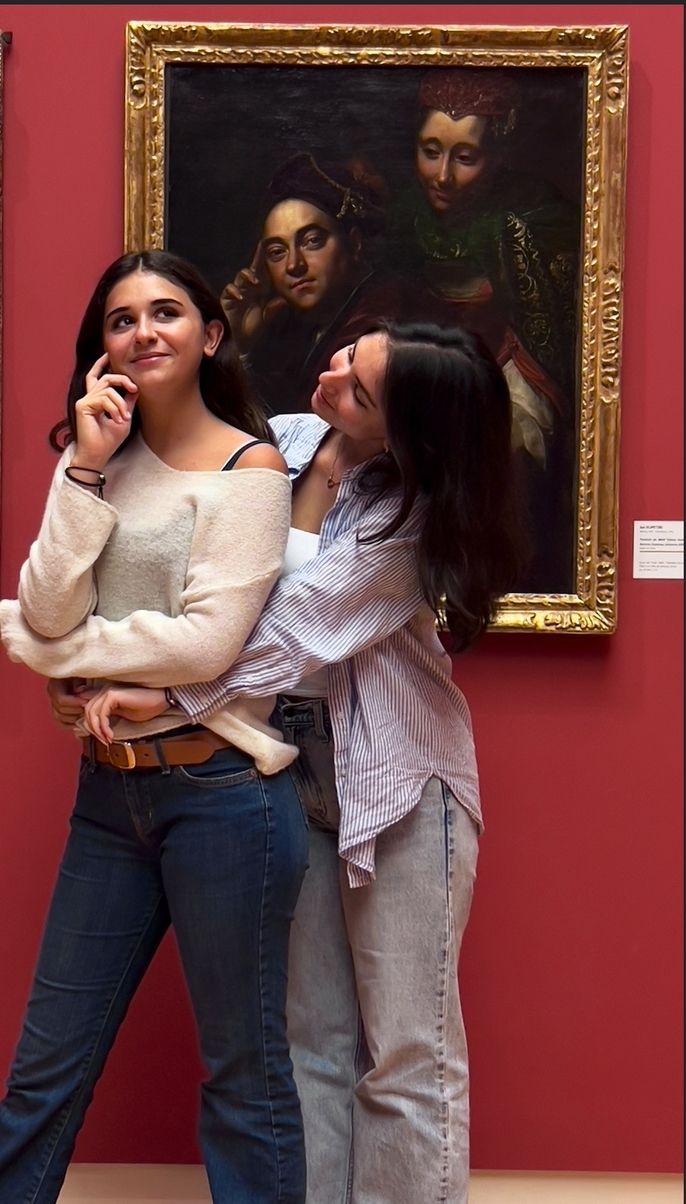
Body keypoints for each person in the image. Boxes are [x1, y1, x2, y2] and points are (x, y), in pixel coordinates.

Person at [51, 321, 520, 1204]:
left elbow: (296, 624)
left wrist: (174, 696)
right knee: (310, 1038)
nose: (331, 374)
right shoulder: (287, 442)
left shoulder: (409, 517)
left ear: (405, 434)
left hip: (400, 779)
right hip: (279, 760)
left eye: (361, 389)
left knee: (408, 1055)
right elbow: (222, 584)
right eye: (348, 353)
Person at [0, 250, 309, 1203]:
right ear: (104, 349)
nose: (144, 333)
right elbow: (45, 609)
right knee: (44, 1072)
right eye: (122, 320)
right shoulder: (94, 462)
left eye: (166, 312)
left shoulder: (250, 466)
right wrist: (85, 467)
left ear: (211, 335)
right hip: (111, 796)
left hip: (226, 801)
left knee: (243, 1076)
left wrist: (73, 653)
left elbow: (208, 643)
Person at [385, 68, 581, 591]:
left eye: (464, 157)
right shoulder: (403, 214)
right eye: (430, 150)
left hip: (510, 360)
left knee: (512, 444)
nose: (442, 175)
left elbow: (550, 327)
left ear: (497, 157)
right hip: (427, 358)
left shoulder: (537, 215)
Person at [221, 151, 440, 416]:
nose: (294, 265)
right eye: (277, 251)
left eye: (312, 240)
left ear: (354, 243)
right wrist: (238, 343)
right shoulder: (290, 323)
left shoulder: (386, 318)